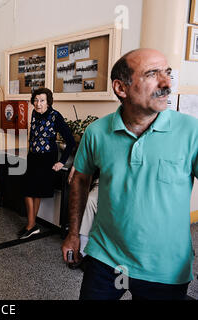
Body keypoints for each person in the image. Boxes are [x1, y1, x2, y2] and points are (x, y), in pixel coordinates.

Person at [62, 48, 198, 300]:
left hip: (165, 268)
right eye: (152, 74)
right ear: (121, 88)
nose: (166, 83)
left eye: (167, 73)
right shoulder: (96, 132)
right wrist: (73, 234)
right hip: (105, 258)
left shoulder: (192, 131)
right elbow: (80, 179)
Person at [18, 88, 75, 239]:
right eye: (36, 100)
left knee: (28, 191)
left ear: (48, 102)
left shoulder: (55, 116)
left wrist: (61, 162)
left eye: (42, 100)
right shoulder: (34, 114)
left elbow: (70, 141)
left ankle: (30, 226)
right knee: (33, 192)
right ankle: (32, 225)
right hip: (33, 158)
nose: (38, 104)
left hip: (47, 159)